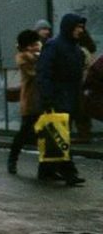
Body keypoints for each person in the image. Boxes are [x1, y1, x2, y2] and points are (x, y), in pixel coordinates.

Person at [35, 13, 88, 185]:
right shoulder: (53, 46)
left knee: (56, 134)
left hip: (70, 97)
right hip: (57, 97)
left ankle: (45, 171)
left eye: (81, 27)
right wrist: (48, 97)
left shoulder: (75, 48)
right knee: (61, 136)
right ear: (68, 28)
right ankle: (69, 172)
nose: (80, 30)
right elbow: (44, 73)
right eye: (77, 27)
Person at [7, 30, 43, 175]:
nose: (38, 46)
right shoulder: (23, 59)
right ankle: (12, 160)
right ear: (27, 46)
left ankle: (46, 167)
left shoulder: (40, 56)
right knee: (23, 133)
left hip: (43, 101)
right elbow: (36, 74)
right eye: (34, 44)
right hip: (30, 101)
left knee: (44, 135)